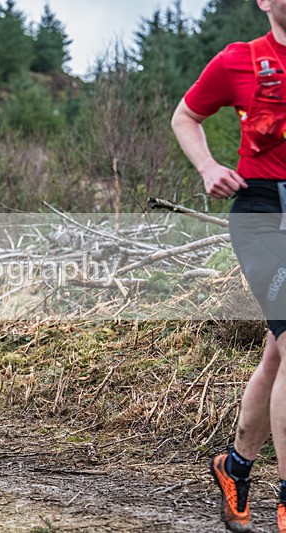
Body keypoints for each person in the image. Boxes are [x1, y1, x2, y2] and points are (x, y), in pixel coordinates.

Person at [172, 2, 286, 531]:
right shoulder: (240, 60)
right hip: (262, 213)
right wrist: (207, 166)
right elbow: (186, 115)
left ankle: (235, 465)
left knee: (278, 351)